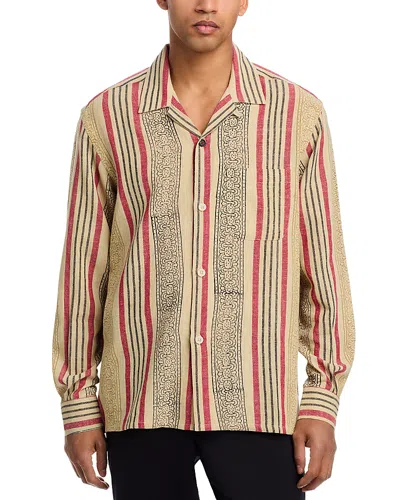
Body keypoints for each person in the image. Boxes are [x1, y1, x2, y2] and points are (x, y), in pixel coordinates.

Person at [51, 0, 356, 498]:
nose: (206, 4)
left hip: (258, 402)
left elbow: (324, 267)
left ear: (244, 2)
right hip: (143, 399)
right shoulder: (107, 117)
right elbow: (83, 270)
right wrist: (79, 403)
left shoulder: (297, 115)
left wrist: (322, 399)